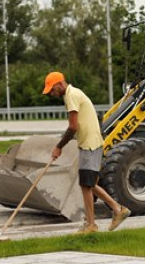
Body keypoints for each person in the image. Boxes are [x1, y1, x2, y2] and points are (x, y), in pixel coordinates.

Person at [43, 71, 130, 234]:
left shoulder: (71, 95)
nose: (52, 94)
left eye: (52, 90)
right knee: (89, 183)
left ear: (60, 84)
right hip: (89, 144)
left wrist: (59, 146)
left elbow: (73, 126)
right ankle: (117, 210)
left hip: (90, 145)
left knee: (86, 184)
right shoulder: (71, 94)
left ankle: (91, 225)